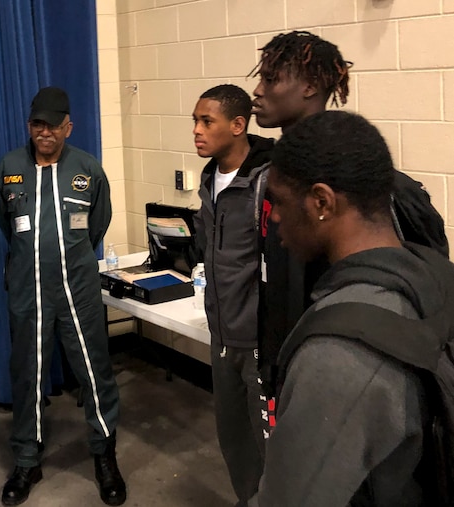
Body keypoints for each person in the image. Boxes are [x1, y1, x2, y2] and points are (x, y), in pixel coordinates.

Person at [248, 30, 448, 418]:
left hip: (353, 389)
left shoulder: (374, 189)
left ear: (310, 86)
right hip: (287, 368)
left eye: (271, 79)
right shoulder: (266, 181)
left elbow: (416, 299)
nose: (257, 90)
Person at [249, 110, 442, 506]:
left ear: (322, 202)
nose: (277, 218)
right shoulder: (435, 276)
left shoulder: (340, 355)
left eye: (280, 202)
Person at [0, 86, 125, 506]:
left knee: (93, 370)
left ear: (69, 126)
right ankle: (27, 459)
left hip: (78, 288)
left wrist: (68, 255)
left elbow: (97, 225)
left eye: (53, 125)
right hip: (28, 289)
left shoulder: (87, 168)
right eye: (37, 124)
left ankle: (104, 453)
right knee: (27, 373)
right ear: (28, 125)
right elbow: (5, 221)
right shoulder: (9, 167)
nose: (44, 132)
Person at [191, 84, 274, 506]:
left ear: (238, 125)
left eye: (207, 121)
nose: (197, 130)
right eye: (195, 121)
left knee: (272, 453)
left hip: (260, 340)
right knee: (234, 442)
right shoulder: (210, 179)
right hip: (222, 337)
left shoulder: (269, 180)